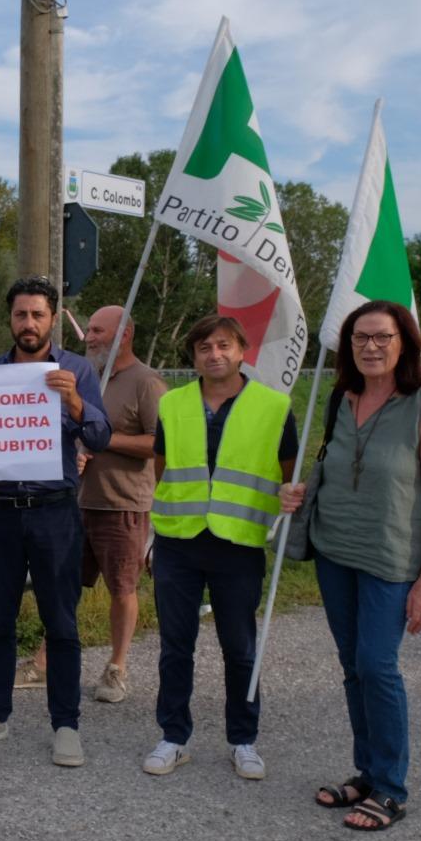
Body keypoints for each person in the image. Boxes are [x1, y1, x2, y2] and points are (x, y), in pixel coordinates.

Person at [279, 301, 421, 830]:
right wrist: (299, 492)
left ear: (405, 344)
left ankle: (392, 788)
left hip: (391, 560)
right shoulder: (341, 398)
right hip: (335, 553)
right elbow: (336, 466)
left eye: (382, 337)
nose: (370, 347)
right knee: (353, 665)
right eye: (360, 338)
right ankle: (368, 773)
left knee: (378, 666)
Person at [0, 276, 111, 766]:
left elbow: (100, 436)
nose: (29, 323)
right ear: (10, 319)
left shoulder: (76, 369)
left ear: (53, 319)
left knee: (60, 622)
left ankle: (66, 724)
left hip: (55, 513)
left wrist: (75, 403)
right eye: (21, 314)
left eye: (38, 314)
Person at [143, 314, 296, 781]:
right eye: (205, 347)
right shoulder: (172, 404)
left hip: (239, 543)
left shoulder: (274, 406)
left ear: (241, 351)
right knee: (175, 646)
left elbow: (287, 470)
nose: (215, 354)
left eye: (224, 345)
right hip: (178, 541)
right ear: (194, 356)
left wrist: (288, 496)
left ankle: (243, 740)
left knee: (240, 648)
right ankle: (174, 737)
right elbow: (162, 467)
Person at [75, 306, 166, 702]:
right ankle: (45, 661)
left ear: (124, 335)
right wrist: (76, 449)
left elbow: (159, 443)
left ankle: (117, 668)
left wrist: (103, 439)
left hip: (123, 505)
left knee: (122, 588)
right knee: (63, 585)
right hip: (78, 501)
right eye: (89, 330)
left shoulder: (147, 383)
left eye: (98, 330)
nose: (89, 337)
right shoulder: (88, 379)